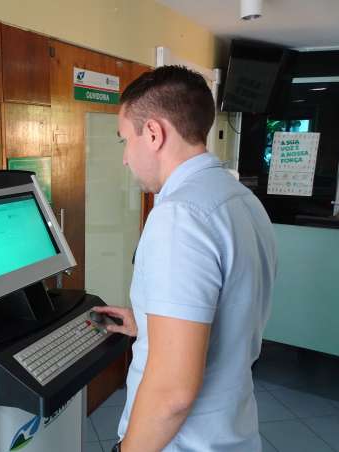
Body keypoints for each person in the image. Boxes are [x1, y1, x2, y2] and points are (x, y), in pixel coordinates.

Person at [92, 65, 277, 452]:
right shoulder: (240, 198)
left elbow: (172, 393)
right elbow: (228, 314)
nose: (125, 158)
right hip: (232, 431)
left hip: (182, 443)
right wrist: (147, 321)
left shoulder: (181, 216)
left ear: (154, 134)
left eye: (125, 139)